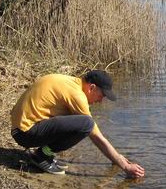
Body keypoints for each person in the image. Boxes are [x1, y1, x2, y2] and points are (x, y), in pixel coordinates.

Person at [10, 70, 145, 177]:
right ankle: (42, 155)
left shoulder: (70, 82)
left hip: (21, 128)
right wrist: (123, 164)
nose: (101, 101)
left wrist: (116, 158)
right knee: (86, 123)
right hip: (26, 133)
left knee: (78, 119)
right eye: (102, 95)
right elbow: (95, 135)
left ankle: (45, 154)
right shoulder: (77, 96)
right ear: (92, 87)